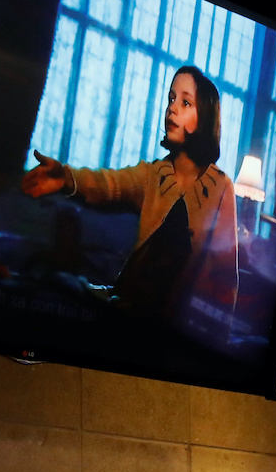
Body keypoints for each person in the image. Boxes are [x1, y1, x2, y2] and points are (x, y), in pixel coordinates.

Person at [21, 66, 238, 335]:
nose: (172, 109)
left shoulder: (220, 187)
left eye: (185, 102)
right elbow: (110, 183)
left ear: (204, 116)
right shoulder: (154, 174)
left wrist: (215, 341)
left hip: (181, 329)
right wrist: (66, 177)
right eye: (171, 99)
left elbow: (226, 273)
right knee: (52, 290)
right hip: (128, 312)